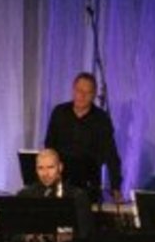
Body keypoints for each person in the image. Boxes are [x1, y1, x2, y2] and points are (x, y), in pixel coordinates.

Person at [41, 71, 122, 199]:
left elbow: (111, 155)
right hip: (60, 181)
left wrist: (116, 187)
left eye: (87, 93)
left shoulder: (101, 119)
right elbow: (49, 146)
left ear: (94, 95)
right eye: (79, 90)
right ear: (73, 90)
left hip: (87, 184)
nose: (82, 96)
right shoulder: (60, 112)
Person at [16, 148, 95, 240]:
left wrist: (57, 236)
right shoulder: (25, 195)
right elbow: (15, 231)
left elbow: (84, 231)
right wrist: (27, 237)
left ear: (60, 167)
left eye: (50, 167)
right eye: (40, 168)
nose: (45, 173)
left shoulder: (77, 196)